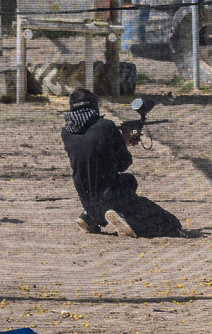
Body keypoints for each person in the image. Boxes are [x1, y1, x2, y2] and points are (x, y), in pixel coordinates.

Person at [61, 87, 181, 238]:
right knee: (171, 223)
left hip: (86, 199)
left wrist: (114, 142)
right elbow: (124, 164)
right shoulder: (106, 126)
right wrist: (121, 143)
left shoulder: (66, 133)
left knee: (102, 193)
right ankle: (120, 215)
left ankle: (90, 216)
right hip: (111, 195)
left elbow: (89, 155)